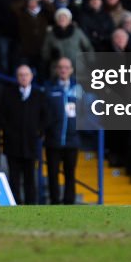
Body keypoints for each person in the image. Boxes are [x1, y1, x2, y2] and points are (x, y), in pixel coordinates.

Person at [0, 65, 47, 204]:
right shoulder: (8, 94)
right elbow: (1, 116)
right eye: (20, 75)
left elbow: (45, 117)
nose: (23, 77)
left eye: (26, 74)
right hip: (12, 145)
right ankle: (15, 204)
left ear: (31, 76)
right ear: (17, 77)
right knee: (14, 179)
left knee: (30, 178)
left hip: (31, 145)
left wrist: (39, 132)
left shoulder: (39, 95)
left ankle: (30, 206)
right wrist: (9, 132)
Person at [44, 57, 84, 205]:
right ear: (56, 69)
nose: (63, 70)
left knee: (70, 173)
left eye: (66, 67)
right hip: (53, 140)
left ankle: (69, 202)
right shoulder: (49, 87)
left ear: (72, 70)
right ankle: (54, 202)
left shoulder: (78, 88)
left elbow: (84, 111)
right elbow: (45, 112)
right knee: (52, 174)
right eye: (60, 67)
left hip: (72, 140)